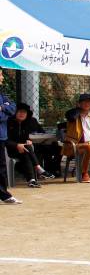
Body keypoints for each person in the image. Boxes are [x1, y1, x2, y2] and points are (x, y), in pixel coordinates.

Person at [6, 103, 55, 187]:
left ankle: (32, 180)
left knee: (26, 150)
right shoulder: (8, 122)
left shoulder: (29, 122)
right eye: (20, 112)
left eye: (24, 112)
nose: (22, 114)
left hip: (24, 150)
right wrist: (17, 145)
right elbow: (5, 139)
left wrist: (30, 140)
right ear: (15, 112)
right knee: (27, 149)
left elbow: (39, 133)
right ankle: (39, 169)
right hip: (9, 149)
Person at [0, 72, 23, 204]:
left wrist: (2, 107)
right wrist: (4, 112)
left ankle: (4, 195)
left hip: (1, 136)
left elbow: (13, 107)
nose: (2, 78)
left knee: (1, 167)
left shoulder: (2, 94)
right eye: (1, 75)